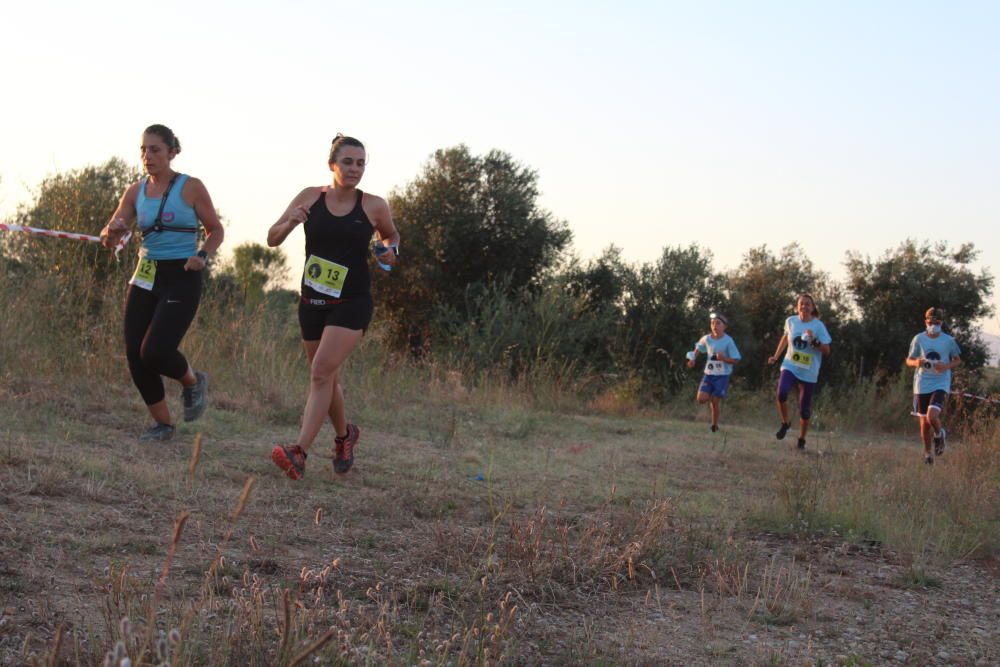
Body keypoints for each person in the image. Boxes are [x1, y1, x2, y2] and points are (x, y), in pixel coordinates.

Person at [268, 134, 399, 480]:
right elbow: (272, 237)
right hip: (312, 300)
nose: (355, 169)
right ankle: (345, 436)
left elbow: (391, 237)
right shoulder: (310, 197)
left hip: (352, 301)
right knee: (326, 376)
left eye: (360, 163)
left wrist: (390, 252)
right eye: (348, 162)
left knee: (321, 373)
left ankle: (299, 452)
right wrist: (291, 222)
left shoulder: (373, 205)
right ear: (332, 165)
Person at [99, 124, 224, 441]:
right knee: (134, 352)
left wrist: (203, 255)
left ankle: (193, 382)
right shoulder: (135, 191)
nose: (147, 156)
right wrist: (110, 233)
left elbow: (215, 230)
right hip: (146, 274)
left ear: (171, 152)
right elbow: (113, 233)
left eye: (154, 149)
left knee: (154, 351)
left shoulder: (191, 187)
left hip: (182, 275)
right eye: (143, 149)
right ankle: (163, 425)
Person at [767, 293, 832, 450]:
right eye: (801, 303)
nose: (804, 306)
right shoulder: (791, 321)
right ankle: (785, 423)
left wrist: (814, 341)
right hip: (790, 365)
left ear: (813, 307)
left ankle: (802, 439)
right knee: (781, 393)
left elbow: (827, 350)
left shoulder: (818, 326)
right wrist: (776, 356)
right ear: (797, 306)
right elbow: (785, 338)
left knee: (804, 409)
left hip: (809, 371)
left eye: (808, 304)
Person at [905, 307, 961, 465]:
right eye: (930, 322)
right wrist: (917, 362)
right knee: (923, 423)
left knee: (932, 416)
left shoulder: (948, 341)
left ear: (941, 323)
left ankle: (939, 433)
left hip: (940, 382)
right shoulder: (918, 339)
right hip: (922, 383)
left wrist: (946, 366)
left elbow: (957, 359)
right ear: (925, 322)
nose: (933, 325)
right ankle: (928, 454)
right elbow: (909, 360)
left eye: (936, 323)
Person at [687, 312, 741, 432]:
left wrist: (723, 359)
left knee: (715, 401)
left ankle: (714, 425)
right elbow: (698, 348)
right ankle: (711, 394)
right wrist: (692, 359)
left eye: (718, 323)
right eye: (712, 323)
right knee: (701, 399)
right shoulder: (706, 338)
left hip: (722, 376)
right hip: (709, 375)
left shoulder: (728, 341)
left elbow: (736, 359)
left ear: (724, 326)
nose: (715, 325)